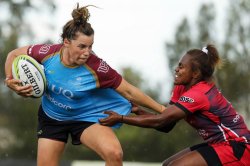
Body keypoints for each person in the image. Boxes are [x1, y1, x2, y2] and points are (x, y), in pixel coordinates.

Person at [4, 3, 166, 166]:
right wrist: (10, 80)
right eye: (81, 46)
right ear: (66, 42)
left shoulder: (97, 67)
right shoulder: (47, 53)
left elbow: (129, 91)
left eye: (90, 46)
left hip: (86, 118)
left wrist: (162, 110)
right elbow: (14, 54)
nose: (87, 52)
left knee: (114, 154)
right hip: (52, 118)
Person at [99, 44, 250, 166]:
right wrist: (139, 111)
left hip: (238, 147)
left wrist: (121, 119)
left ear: (195, 74)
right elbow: (166, 125)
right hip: (219, 144)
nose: (176, 69)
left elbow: (161, 120)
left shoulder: (200, 93)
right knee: (167, 165)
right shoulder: (181, 88)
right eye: (178, 65)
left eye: (182, 67)